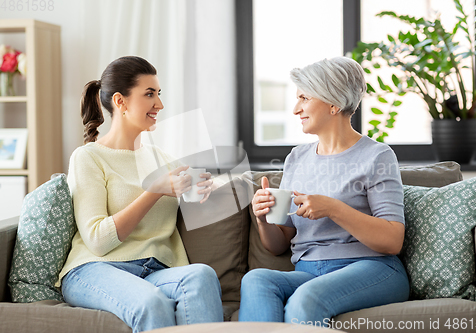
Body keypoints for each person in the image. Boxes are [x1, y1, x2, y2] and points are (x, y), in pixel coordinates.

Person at [239, 57, 410, 326]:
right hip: (308, 271)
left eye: (304, 98)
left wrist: (333, 208)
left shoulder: (377, 156)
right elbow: (279, 244)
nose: (296, 109)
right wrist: (263, 219)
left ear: (334, 104)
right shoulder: (296, 158)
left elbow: (392, 240)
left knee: (306, 299)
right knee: (256, 279)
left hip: (371, 268)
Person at [57, 56, 223, 333]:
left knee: (201, 275)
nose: (159, 104)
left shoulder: (162, 158)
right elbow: (97, 240)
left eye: (158, 94)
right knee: (151, 302)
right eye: (149, 94)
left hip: (155, 270)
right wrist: (154, 191)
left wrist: (209, 189)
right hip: (96, 268)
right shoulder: (88, 157)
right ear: (120, 102)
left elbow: (199, 188)